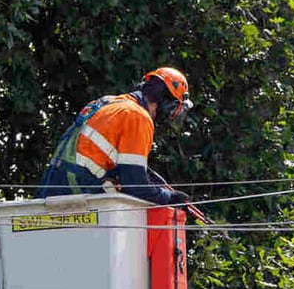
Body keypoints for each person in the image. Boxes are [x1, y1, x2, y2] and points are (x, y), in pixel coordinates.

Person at [39, 67, 193, 204]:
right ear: (166, 102)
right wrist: (169, 198)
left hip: (52, 185)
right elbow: (136, 186)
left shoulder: (108, 102)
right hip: (77, 190)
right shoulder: (138, 117)